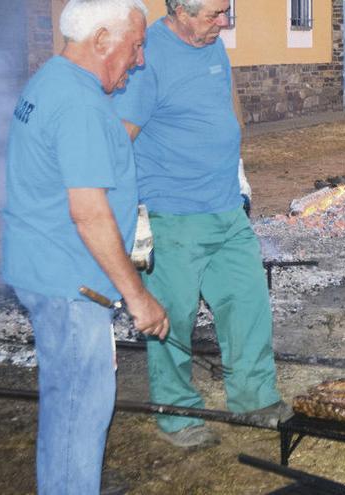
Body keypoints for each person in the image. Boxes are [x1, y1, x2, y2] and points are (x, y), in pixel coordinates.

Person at [3, 0, 169, 492]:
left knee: (65, 402)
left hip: (46, 270)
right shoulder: (81, 104)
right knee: (80, 410)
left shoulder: (49, 80)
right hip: (70, 282)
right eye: (135, 45)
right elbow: (89, 213)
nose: (139, 59)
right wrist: (138, 297)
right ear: (101, 40)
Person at [112, 0, 288, 448]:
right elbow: (119, 138)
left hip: (226, 206)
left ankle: (254, 398)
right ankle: (177, 414)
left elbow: (228, 105)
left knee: (248, 303)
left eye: (227, 11)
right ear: (180, 12)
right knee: (171, 318)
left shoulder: (211, 43)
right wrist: (124, 215)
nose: (225, 22)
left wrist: (238, 167)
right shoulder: (147, 55)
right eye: (215, 14)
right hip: (173, 213)